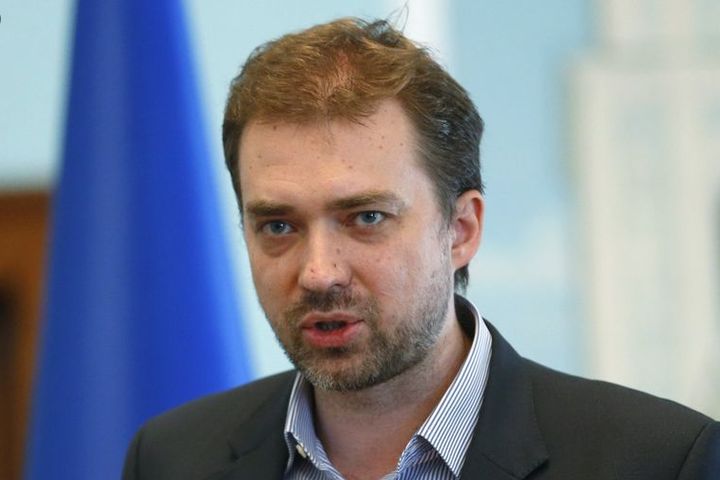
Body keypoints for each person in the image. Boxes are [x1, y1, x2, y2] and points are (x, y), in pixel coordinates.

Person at [122, 17, 720, 480]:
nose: (319, 272)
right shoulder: (173, 459)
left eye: (366, 218)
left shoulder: (658, 461)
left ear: (461, 229)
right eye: (279, 226)